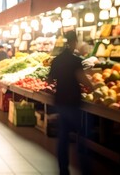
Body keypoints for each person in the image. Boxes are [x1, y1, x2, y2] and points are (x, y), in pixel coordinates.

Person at [47, 31, 93, 175]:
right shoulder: (75, 60)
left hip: (60, 101)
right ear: (74, 42)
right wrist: (93, 87)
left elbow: (49, 80)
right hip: (73, 102)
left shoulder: (57, 60)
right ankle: (85, 168)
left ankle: (63, 169)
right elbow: (82, 79)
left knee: (63, 137)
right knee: (81, 134)